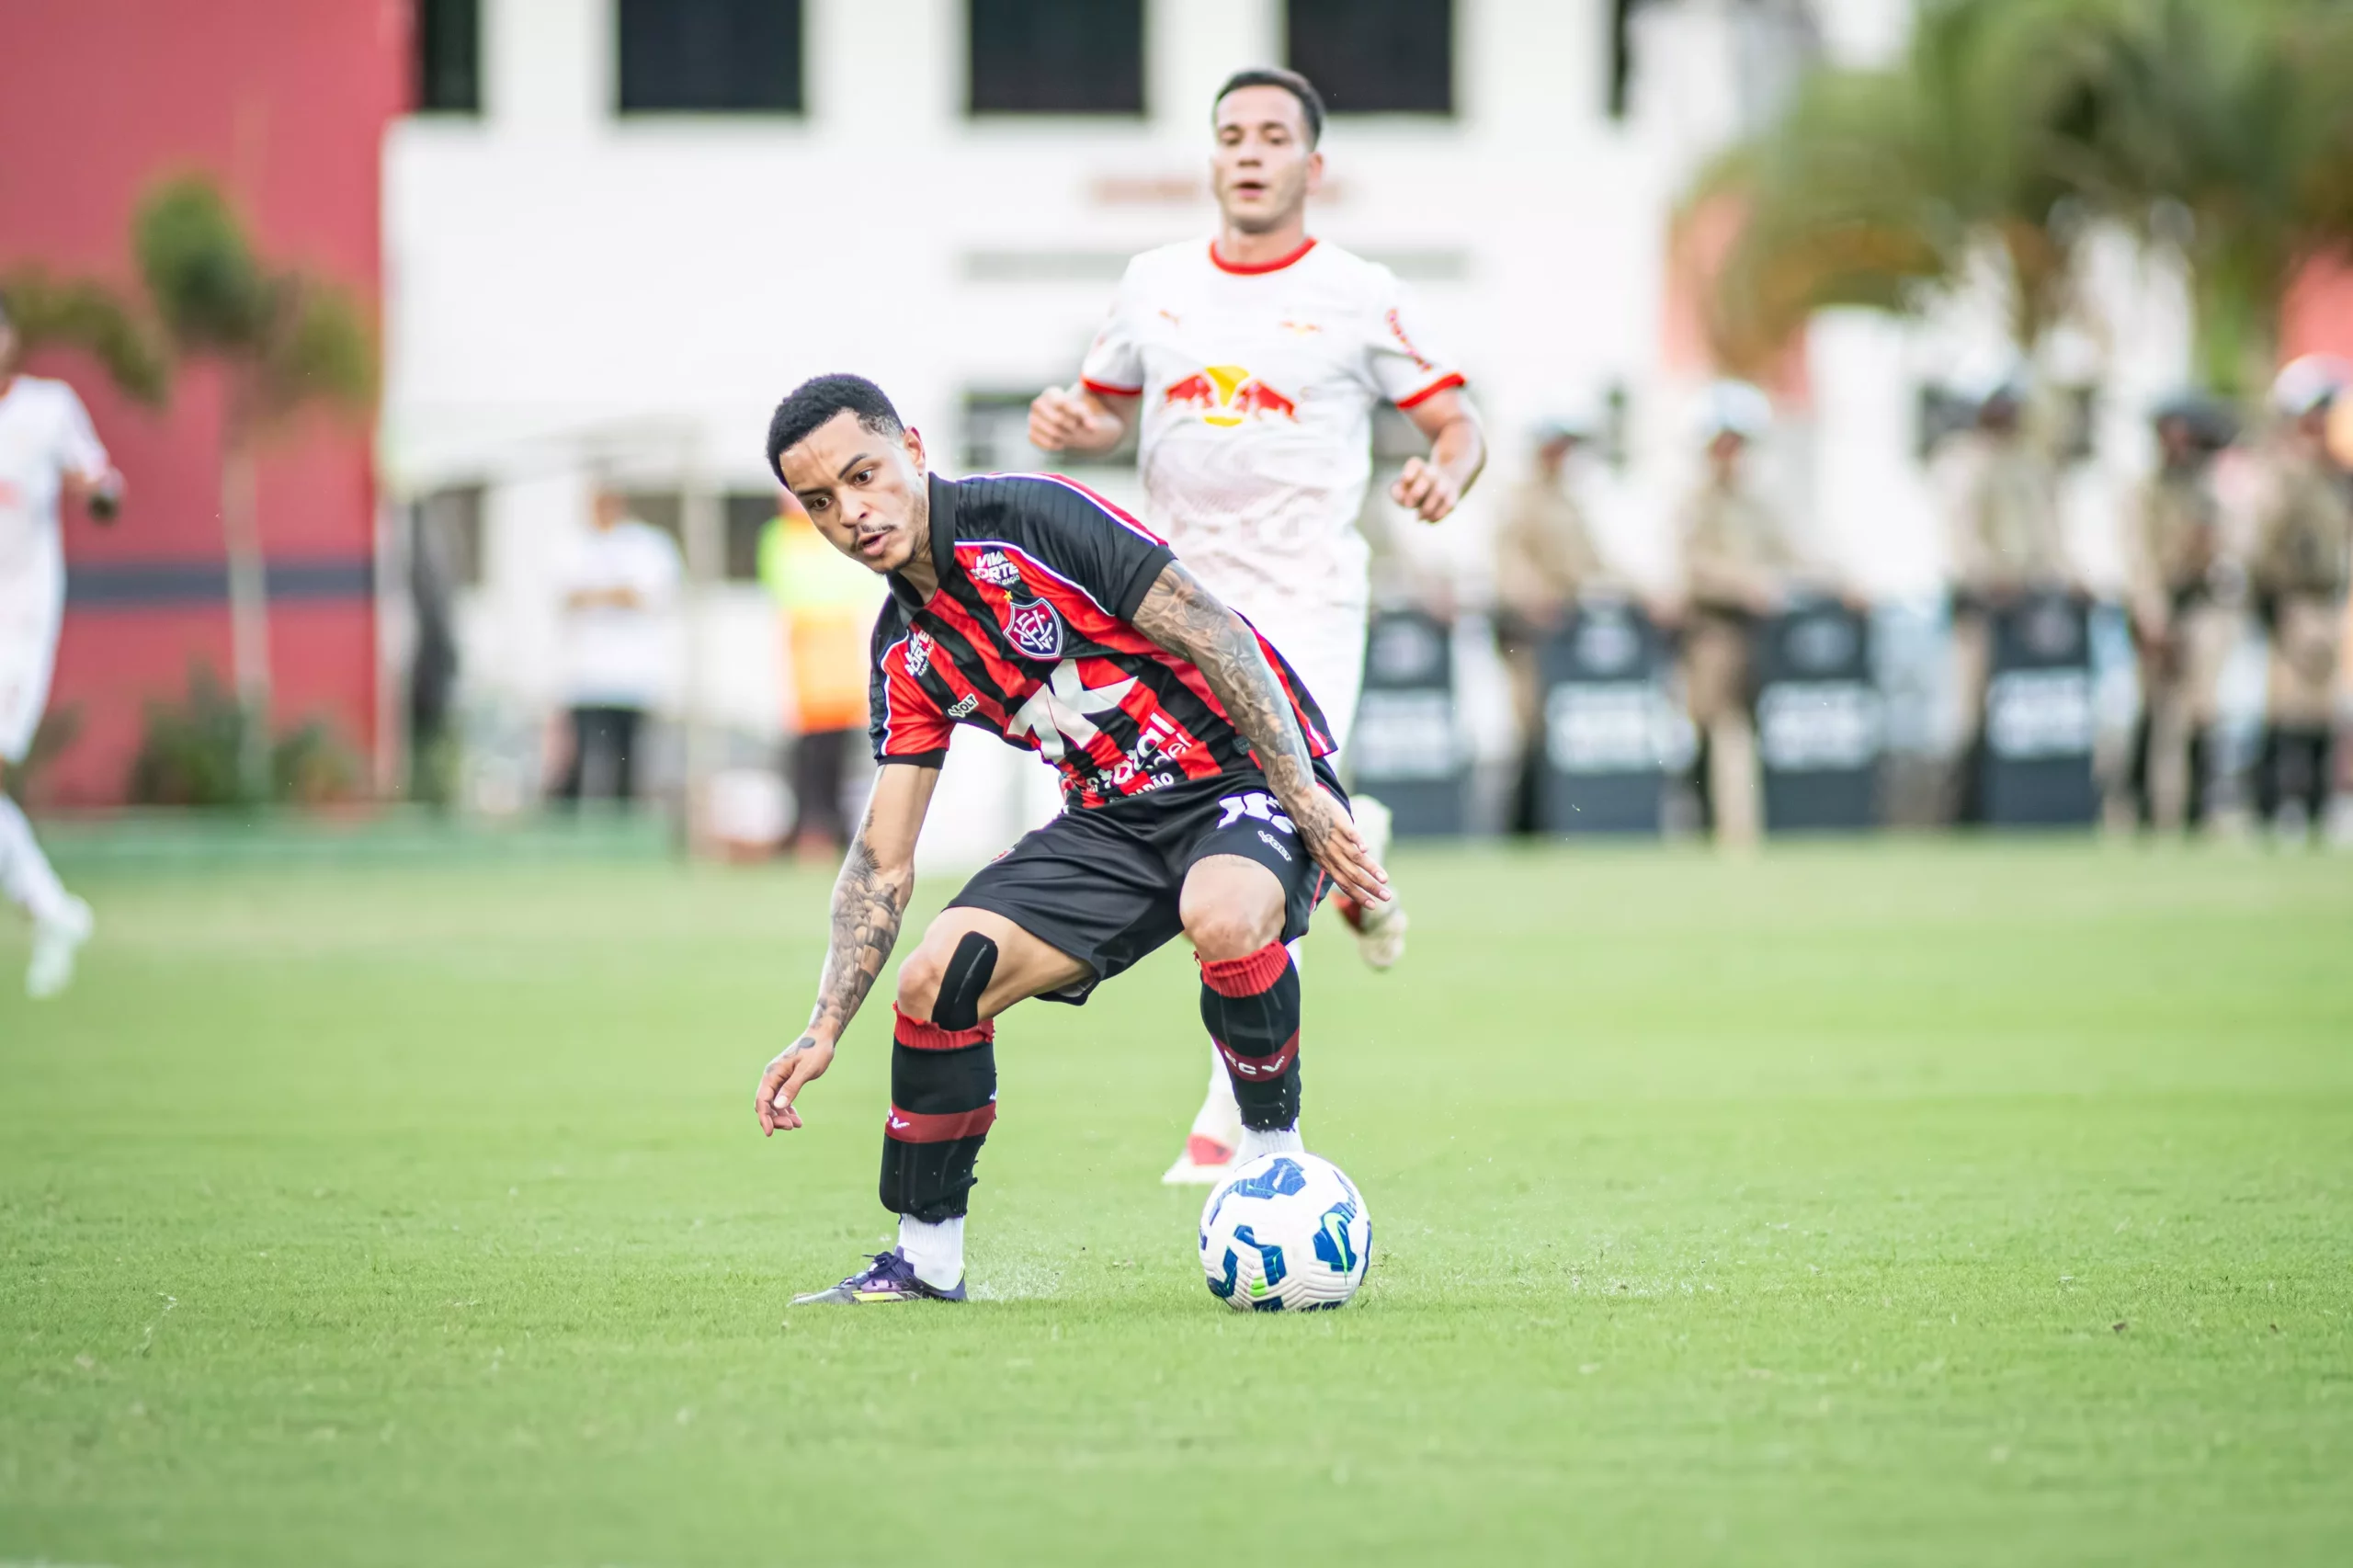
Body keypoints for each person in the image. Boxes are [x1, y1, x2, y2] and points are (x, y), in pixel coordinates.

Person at [753, 375, 1383, 1305]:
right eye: (820, 501)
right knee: (938, 974)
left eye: (863, 475)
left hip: (1240, 774)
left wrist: (1303, 790)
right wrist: (822, 1026)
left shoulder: (1032, 517)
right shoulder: (905, 650)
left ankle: (1272, 1161)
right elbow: (881, 858)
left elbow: (1212, 628)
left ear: (914, 450)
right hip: (1113, 823)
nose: (852, 513)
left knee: (1223, 911)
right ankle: (925, 1261)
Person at [1027, 66, 1485, 1181]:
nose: (1248, 152)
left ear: (1309, 166)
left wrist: (1444, 471)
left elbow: (1456, 421)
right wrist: (1071, 422)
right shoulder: (1152, 284)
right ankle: (1356, 856)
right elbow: (1104, 407)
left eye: (1272, 136)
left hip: (1305, 604)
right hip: (1174, 604)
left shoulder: (1358, 292)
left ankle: (1229, 1109)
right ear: (1213, 156)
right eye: (1230, 134)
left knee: (1264, 808)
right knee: (1245, 812)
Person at [0, 291, 122, 998]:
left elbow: (95, 478)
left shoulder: (46, 411)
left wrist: (103, 493)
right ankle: (52, 910)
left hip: (16, 629)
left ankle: (51, 910)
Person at [1935, 373, 2072, 824]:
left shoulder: (2031, 463)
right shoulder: (1961, 462)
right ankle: (1963, 816)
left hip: (2032, 605)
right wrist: (1991, 577)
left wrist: (2064, 578)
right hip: (1981, 606)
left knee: (2034, 711)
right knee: (1971, 713)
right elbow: (1962, 539)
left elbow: (2049, 535)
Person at [1673, 381, 1798, 847]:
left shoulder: (1757, 501)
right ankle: (1700, 830)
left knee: (1761, 727)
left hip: (1760, 631)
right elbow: (1692, 564)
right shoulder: (1694, 502)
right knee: (1704, 727)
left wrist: (1841, 578)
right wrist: (1745, 584)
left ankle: (1761, 828)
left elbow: (1791, 551)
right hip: (1713, 630)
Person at [2244, 355, 2352, 837]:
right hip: (2295, 600)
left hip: (2329, 598)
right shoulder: (2281, 472)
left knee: (2324, 710)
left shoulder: (2331, 473)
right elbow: (2266, 548)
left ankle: (2314, 807)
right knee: (2289, 709)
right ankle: (2277, 807)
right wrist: (2274, 603)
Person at [1494, 415, 1612, 834]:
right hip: (1532, 637)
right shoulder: (1520, 501)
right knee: (1531, 728)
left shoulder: (1570, 502)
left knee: (1566, 727)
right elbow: (1509, 562)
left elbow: (1593, 562)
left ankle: (1561, 823)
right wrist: (1533, 596)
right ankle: (1520, 829)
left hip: (1572, 635)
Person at [2121, 391, 2233, 830]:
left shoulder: (2204, 492)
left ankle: (2196, 811)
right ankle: (2139, 810)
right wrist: (2152, 614)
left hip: (2197, 606)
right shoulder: (2145, 490)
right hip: (2158, 606)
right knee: (2151, 708)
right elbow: (2139, 558)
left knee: (2201, 709)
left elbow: (2219, 555)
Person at [758, 493, 881, 858]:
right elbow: (800, 593)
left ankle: (836, 830)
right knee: (810, 754)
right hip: (809, 667)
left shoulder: (833, 535)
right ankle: (810, 829)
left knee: (838, 755)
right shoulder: (780, 536)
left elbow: (851, 588)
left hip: (841, 665)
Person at [552, 483, 681, 806]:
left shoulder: (645, 544)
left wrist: (598, 594)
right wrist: (616, 593)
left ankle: (625, 828)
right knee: (581, 759)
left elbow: (645, 596)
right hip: (584, 675)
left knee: (628, 760)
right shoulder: (573, 544)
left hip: (631, 675)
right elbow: (569, 595)